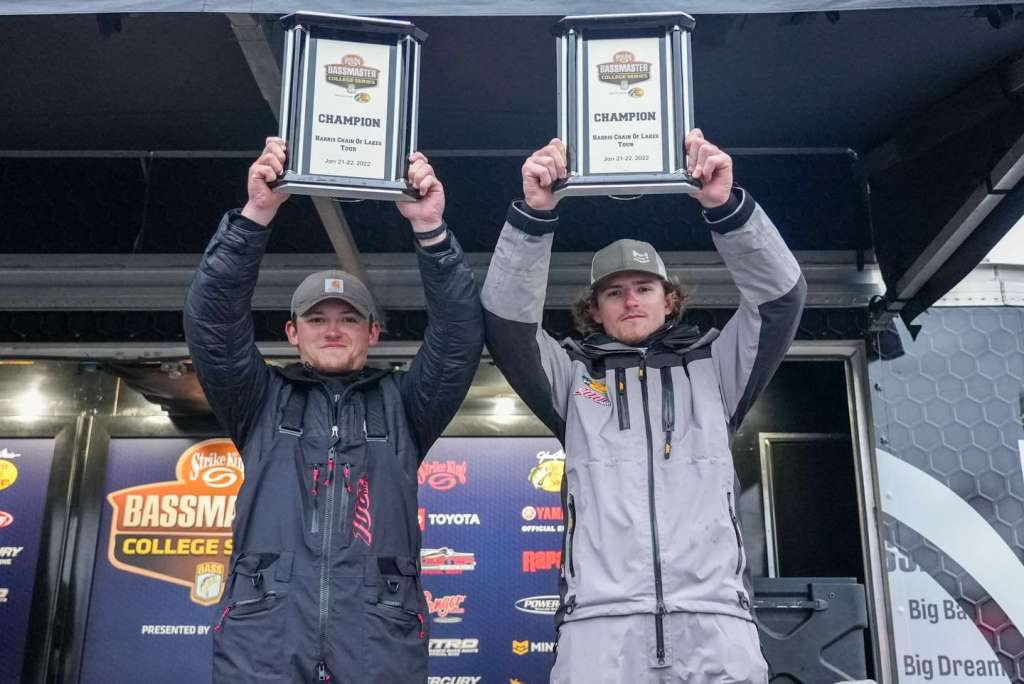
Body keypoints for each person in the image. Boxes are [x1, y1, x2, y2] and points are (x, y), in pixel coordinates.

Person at [481, 131, 806, 683]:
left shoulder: (716, 370)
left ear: (669, 300)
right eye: (614, 292)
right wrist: (535, 215)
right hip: (599, 628)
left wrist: (725, 208)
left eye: (644, 287)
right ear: (594, 309)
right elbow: (508, 325)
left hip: (714, 622)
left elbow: (780, 299)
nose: (630, 299)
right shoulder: (573, 378)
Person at [184, 137, 483, 683]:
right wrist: (256, 214)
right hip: (265, 638)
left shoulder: (404, 407)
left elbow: (458, 337)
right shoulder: (259, 401)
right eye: (317, 319)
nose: (333, 330)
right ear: (292, 332)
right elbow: (213, 323)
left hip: (378, 641)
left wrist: (430, 230)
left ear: (373, 333)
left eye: (348, 319)